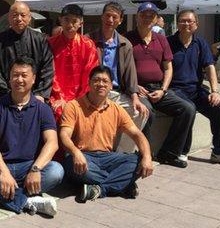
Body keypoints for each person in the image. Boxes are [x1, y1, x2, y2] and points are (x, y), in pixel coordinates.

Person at [0, 56, 64, 216]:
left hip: (29, 166)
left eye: (24, 75)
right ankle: (28, 201)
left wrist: (35, 169)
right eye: (15, 75)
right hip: (0, 167)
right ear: (9, 78)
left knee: (56, 171)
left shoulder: (43, 109)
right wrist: (4, 172)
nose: (19, 79)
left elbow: (52, 143)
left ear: (33, 79)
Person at [60, 66, 153, 202]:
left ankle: (100, 189)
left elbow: (137, 135)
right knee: (72, 165)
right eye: (96, 80)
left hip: (108, 157)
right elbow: (64, 135)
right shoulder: (73, 106)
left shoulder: (116, 109)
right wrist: (76, 152)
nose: (101, 84)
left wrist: (148, 158)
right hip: (83, 157)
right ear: (89, 83)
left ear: (110, 86)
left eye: (105, 81)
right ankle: (123, 184)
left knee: (138, 160)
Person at [168, 10, 220, 167]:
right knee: (189, 109)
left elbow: (209, 66)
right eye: (182, 21)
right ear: (177, 23)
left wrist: (215, 91)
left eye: (190, 21)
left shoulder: (201, 43)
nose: (186, 24)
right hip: (175, 89)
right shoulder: (168, 42)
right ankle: (182, 151)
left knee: (218, 109)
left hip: (196, 89)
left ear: (196, 24)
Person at [126, 2, 195, 168]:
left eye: (151, 16)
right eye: (144, 15)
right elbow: (123, 68)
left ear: (156, 19)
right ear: (137, 17)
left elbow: (168, 67)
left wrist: (163, 89)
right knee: (147, 111)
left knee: (187, 109)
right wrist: (134, 87)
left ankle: (169, 153)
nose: (147, 18)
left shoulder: (162, 39)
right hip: (137, 89)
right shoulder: (127, 38)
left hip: (159, 88)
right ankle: (146, 154)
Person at [89, 2, 151, 152]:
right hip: (94, 90)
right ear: (101, 16)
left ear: (120, 20)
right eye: (107, 15)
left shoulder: (125, 44)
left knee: (141, 111)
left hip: (117, 92)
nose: (110, 19)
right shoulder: (89, 40)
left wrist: (135, 97)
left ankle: (123, 153)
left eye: (114, 17)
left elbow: (130, 72)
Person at [0, 1, 54, 101]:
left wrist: (40, 93)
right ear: (9, 18)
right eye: (14, 15)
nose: (19, 19)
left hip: (36, 97)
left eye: (23, 15)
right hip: (6, 96)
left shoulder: (40, 40)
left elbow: (47, 68)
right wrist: (7, 94)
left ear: (29, 17)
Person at [48, 4, 98, 119]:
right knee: (58, 111)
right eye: (66, 20)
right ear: (60, 20)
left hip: (82, 97)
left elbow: (89, 75)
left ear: (81, 23)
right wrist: (60, 97)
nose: (70, 25)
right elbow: (49, 72)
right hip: (56, 96)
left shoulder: (88, 45)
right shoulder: (50, 44)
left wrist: (78, 100)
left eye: (74, 21)